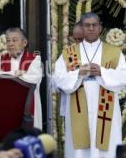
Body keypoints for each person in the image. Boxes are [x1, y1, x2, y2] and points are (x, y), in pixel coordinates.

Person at [53, 12, 126, 157]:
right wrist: (79, 73)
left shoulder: (114, 52)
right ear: (82, 28)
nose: (91, 28)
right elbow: (58, 79)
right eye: (87, 25)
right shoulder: (68, 53)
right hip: (78, 105)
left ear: (100, 28)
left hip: (106, 104)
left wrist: (102, 72)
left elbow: (123, 76)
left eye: (94, 25)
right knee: (80, 151)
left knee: (106, 147)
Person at [0, 27, 43, 129]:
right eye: (8, 40)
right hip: (5, 108)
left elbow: (33, 79)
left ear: (24, 42)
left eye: (14, 40)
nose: (10, 44)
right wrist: (17, 73)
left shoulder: (34, 59)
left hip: (26, 108)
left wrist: (3, 74)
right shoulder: (0, 59)